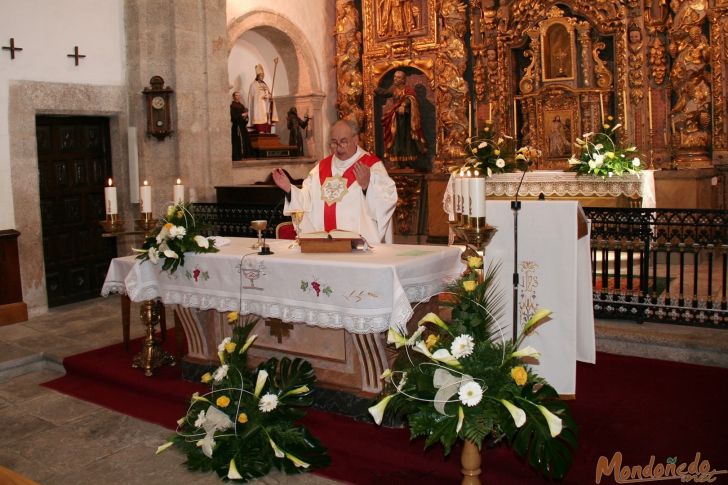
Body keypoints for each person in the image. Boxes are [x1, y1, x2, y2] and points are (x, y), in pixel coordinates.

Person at [271, 119, 398, 244]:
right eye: (334, 143)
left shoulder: (371, 166)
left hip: (359, 250)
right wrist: (289, 189)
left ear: (356, 139)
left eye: (343, 142)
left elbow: (386, 202)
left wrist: (367, 187)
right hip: (323, 246)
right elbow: (306, 200)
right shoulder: (321, 168)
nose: (339, 148)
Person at [375, 70, 427, 168]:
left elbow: (410, 98)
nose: (395, 79)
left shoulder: (408, 90)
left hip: (407, 121)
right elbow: (385, 93)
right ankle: (397, 163)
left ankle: (408, 163)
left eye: (398, 77)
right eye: (394, 77)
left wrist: (403, 105)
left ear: (403, 80)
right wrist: (374, 89)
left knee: (406, 141)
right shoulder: (394, 90)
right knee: (395, 139)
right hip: (396, 120)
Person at [247, 64, 278, 133]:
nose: (262, 77)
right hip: (259, 108)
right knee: (260, 120)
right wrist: (263, 95)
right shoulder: (253, 85)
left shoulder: (265, 85)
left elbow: (269, 94)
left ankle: (267, 132)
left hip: (267, 106)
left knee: (267, 120)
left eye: (263, 76)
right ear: (257, 76)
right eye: (261, 76)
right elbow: (254, 97)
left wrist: (270, 98)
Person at [230, 91, 253, 160]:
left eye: (239, 95)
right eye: (236, 95)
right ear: (233, 97)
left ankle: (245, 155)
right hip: (237, 126)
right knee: (239, 141)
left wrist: (246, 116)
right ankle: (239, 156)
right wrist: (241, 115)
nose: (238, 96)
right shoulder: (232, 106)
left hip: (242, 126)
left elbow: (245, 115)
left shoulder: (241, 105)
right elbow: (233, 116)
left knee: (245, 139)